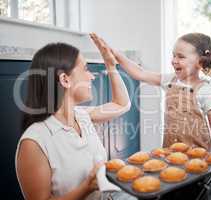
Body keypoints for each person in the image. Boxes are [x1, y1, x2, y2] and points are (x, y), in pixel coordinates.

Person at [15, 33, 136, 200]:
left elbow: (122, 104)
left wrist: (110, 65)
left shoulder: (82, 115)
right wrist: (86, 187)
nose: (92, 76)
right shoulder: (34, 142)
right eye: (86, 69)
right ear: (65, 79)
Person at [104, 32, 211, 158]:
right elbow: (140, 73)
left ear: (200, 62)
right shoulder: (170, 80)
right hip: (170, 154)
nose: (174, 61)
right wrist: (116, 55)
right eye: (173, 55)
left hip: (196, 157)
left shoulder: (204, 90)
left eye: (181, 57)